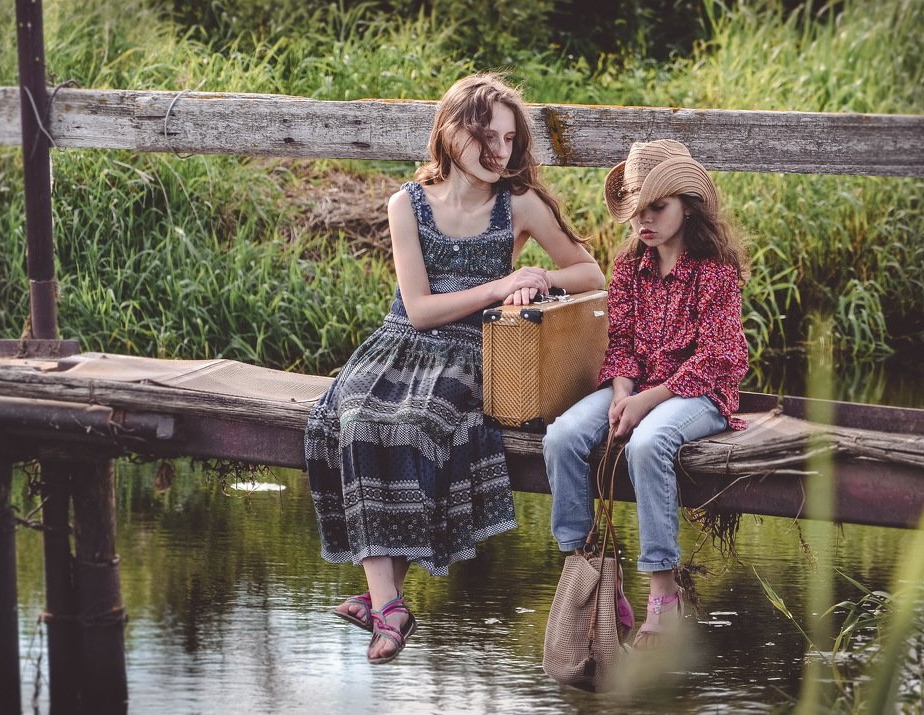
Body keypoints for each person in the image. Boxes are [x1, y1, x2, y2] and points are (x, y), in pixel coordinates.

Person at [305, 72, 606, 665]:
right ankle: (389, 604)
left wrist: (539, 277)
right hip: (401, 342)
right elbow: (418, 310)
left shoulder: (520, 204)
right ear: (451, 134)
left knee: (416, 425)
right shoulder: (406, 204)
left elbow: (591, 274)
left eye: (510, 139)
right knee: (351, 418)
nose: (502, 151)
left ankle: (382, 606)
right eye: (488, 137)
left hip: (476, 349)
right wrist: (499, 284)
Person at [542, 139, 749, 650]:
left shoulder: (714, 270)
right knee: (562, 436)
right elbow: (621, 343)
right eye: (636, 209)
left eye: (657, 207)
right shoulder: (630, 267)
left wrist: (644, 402)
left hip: (698, 393)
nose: (644, 220)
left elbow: (719, 356)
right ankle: (589, 574)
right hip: (639, 386)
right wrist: (621, 392)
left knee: (648, 443)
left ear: (687, 206)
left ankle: (663, 591)